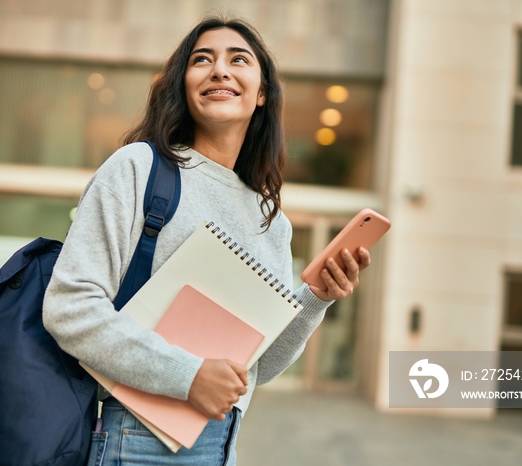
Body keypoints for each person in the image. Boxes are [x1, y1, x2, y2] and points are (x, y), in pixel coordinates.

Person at [43, 15, 371, 466]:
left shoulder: (270, 220)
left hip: (223, 446)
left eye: (239, 59)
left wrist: (315, 297)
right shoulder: (138, 169)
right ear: (183, 86)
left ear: (261, 95)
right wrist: (189, 374)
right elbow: (69, 307)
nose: (219, 70)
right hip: (136, 442)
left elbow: (258, 367)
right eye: (202, 60)